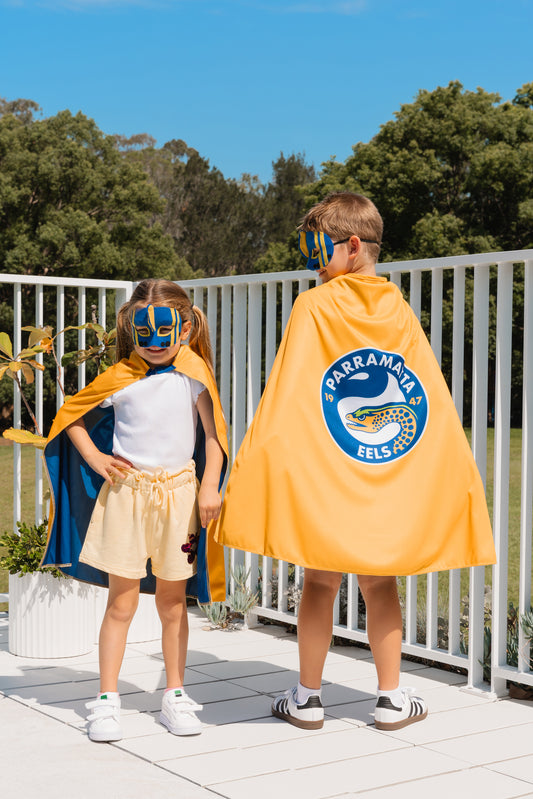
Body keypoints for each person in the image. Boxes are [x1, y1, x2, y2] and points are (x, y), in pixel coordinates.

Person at [215, 192, 496, 732]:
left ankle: (308, 698)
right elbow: (425, 396)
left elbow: (292, 393)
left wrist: (260, 461)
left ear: (350, 246)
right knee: (379, 584)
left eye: (318, 253)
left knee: (319, 582)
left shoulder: (312, 307)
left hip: (331, 472)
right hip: (382, 470)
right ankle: (391, 699)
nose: (313, 266)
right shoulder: (398, 308)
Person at [41, 279, 228, 742]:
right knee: (120, 603)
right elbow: (70, 415)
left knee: (172, 604)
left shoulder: (194, 376)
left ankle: (176, 694)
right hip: (126, 497)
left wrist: (209, 485)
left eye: (165, 333)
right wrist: (95, 458)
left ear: (183, 329)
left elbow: (213, 438)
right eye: (144, 334)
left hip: (180, 498)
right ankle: (107, 700)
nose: (155, 345)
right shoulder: (120, 377)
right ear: (132, 329)